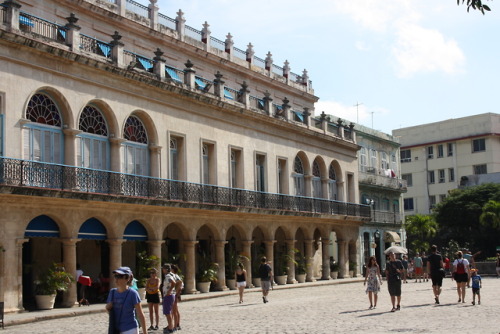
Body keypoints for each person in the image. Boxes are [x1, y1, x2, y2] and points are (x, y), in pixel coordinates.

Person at [106, 266, 147, 334]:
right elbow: (110, 312)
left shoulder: (133, 294)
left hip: (130, 329)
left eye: (119, 276)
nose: (116, 279)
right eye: (115, 276)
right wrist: (108, 308)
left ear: (127, 278)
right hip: (116, 329)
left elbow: (140, 314)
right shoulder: (112, 292)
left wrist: (145, 332)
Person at [162, 264, 177, 333]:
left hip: (168, 295)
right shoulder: (172, 275)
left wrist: (170, 290)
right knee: (169, 312)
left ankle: (170, 328)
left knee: (167, 312)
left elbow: (173, 283)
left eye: (163, 269)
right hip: (171, 295)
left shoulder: (168, 276)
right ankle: (170, 326)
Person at [171, 264, 183, 331]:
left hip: (175, 294)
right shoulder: (173, 276)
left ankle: (176, 325)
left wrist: (176, 293)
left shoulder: (175, 276)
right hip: (174, 294)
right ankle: (175, 324)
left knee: (175, 310)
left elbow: (180, 283)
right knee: (174, 310)